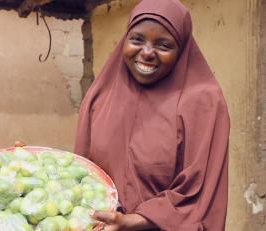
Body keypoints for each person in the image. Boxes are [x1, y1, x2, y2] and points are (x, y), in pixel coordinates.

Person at [74, 0, 230, 231]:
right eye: (137, 39)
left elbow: (200, 194)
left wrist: (133, 221)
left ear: (182, 49)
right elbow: (82, 173)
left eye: (164, 45)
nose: (147, 53)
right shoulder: (102, 94)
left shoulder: (203, 102)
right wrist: (32, 169)